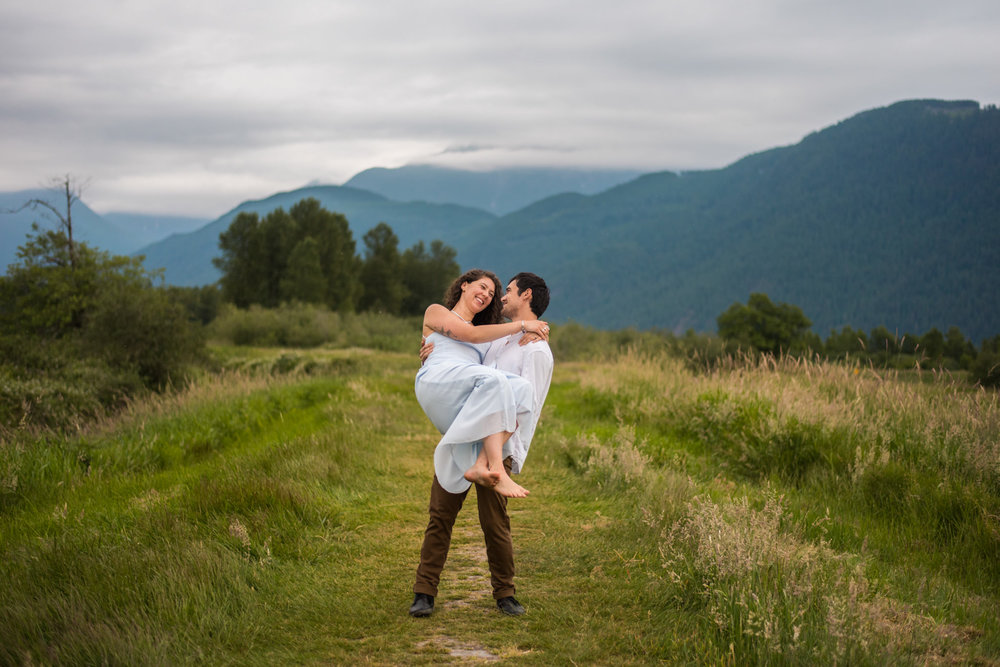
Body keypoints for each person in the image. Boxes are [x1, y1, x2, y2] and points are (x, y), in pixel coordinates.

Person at [410, 272, 554, 618]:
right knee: (441, 515)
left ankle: (505, 595)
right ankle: (424, 593)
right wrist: (430, 351)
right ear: (464, 286)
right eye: (489, 290)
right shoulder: (496, 339)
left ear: (526, 295)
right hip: (467, 432)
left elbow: (529, 406)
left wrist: (512, 455)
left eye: (504, 291)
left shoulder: (536, 350)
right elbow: (461, 348)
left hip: (498, 447)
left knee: (495, 523)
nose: (497, 297)